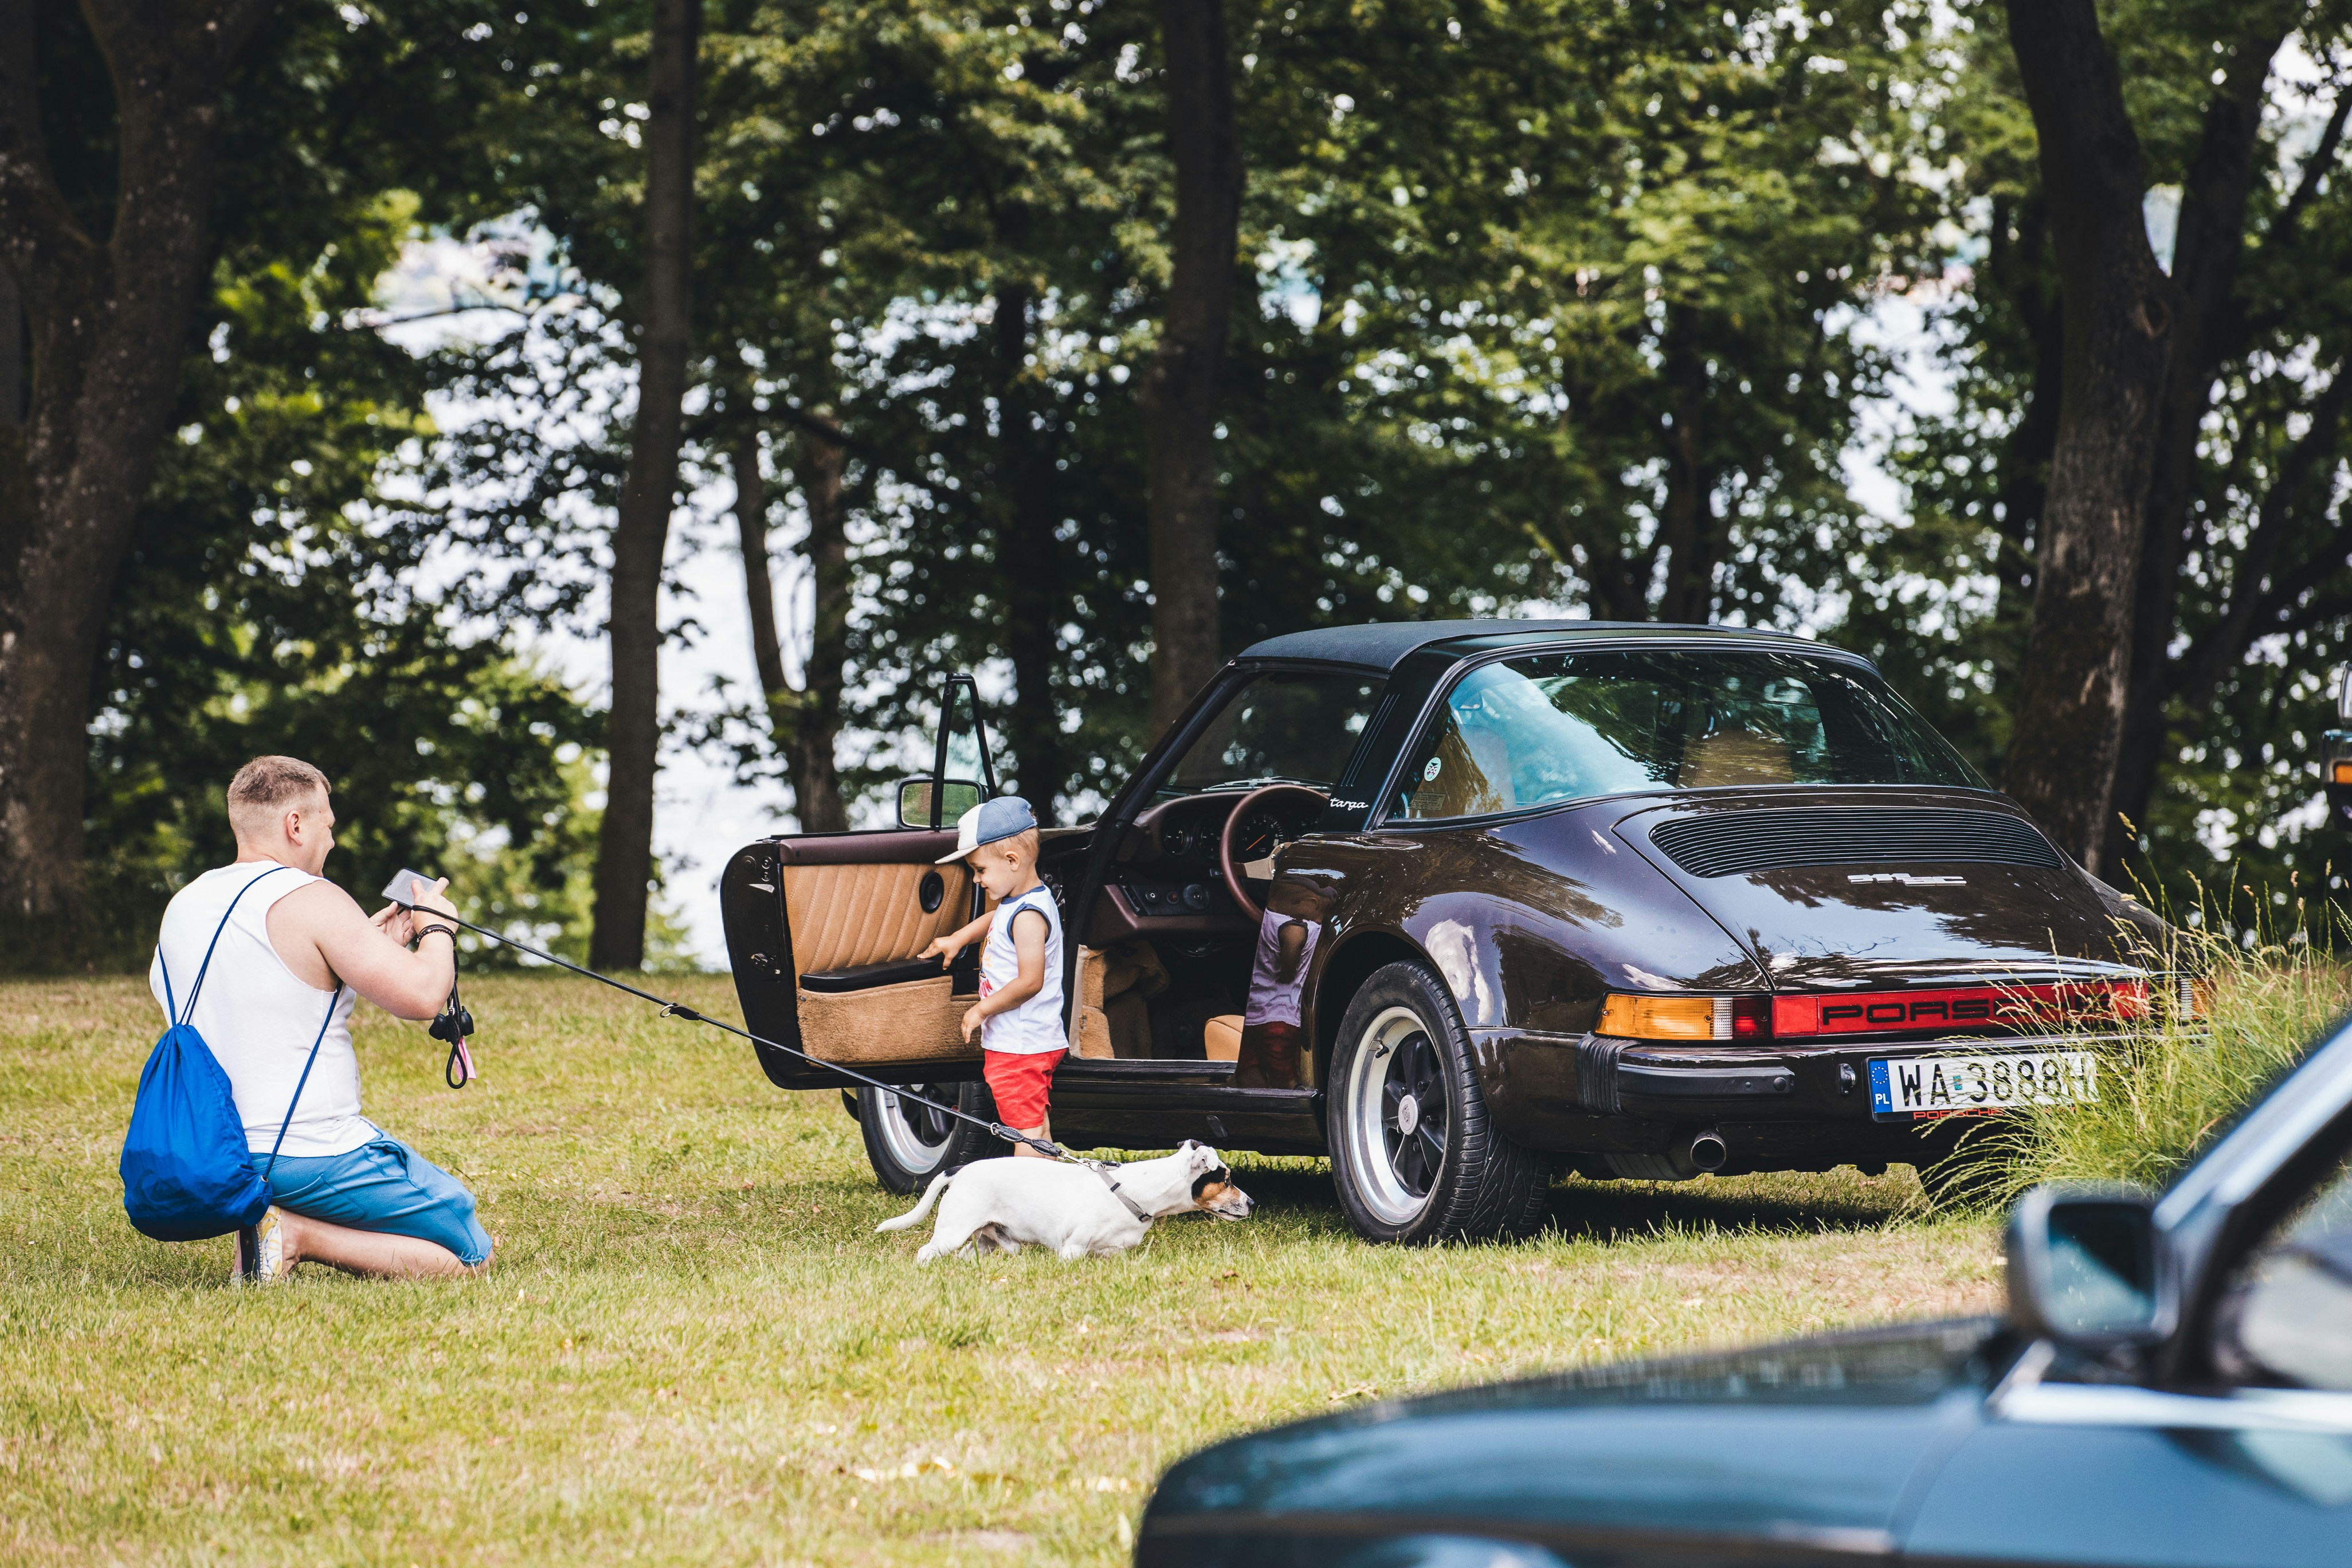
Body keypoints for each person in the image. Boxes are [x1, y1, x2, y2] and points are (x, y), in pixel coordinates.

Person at [149, 755, 493, 1283]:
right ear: (296, 825)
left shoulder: (186, 904)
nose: (331, 842)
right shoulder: (313, 898)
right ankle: (297, 1235)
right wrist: (439, 929)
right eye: (327, 826)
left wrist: (365, 952)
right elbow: (425, 996)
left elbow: (259, 993)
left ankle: (269, 1225)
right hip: (309, 1154)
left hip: (215, 1151)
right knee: (472, 1256)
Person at [918, 797, 1065, 1157]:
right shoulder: (1023, 900)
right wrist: (958, 938)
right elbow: (996, 919)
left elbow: (1031, 981)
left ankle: (1028, 1204)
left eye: (980, 869)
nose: (976, 878)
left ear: (1012, 861)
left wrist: (981, 1011)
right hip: (1028, 1040)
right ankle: (1049, 1195)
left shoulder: (1029, 916)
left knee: (1024, 1133)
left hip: (1020, 1044)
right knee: (1034, 1125)